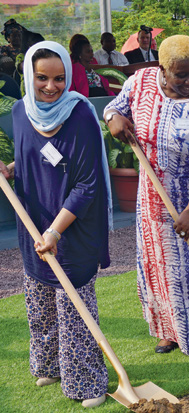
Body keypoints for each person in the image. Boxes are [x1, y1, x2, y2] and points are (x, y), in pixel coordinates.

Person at [104, 35, 189, 358]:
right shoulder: (140, 83)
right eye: (181, 75)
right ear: (162, 69)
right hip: (154, 201)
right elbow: (113, 107)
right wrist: (113, 120)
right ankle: (169, 331)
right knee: (160, 269)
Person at [0, 40, 112, 408]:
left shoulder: (78, 115)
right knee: (40, 302)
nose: (51, 87)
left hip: (72, 227)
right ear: (28, 77)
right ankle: (48, 365)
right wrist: (10, 169)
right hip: (33, 223)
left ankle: (87, 382)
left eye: (60, 79)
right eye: (42, 78)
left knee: (75, 308)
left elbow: (87, 183)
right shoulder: (20, 112)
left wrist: (55, 232)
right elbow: (32, 158)